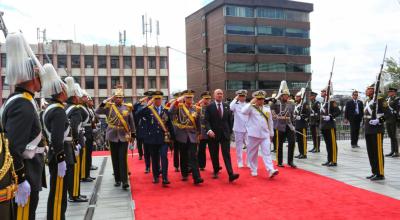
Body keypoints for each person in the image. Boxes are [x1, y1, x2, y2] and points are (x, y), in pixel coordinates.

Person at [1, 32, 46, 219]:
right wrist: (21, 179)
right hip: (26, 171)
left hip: (29, 169)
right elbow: (13, 147)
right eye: (37, 74)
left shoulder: (19, 99)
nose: (41, 78)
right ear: (30, 77)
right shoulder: (23, 104)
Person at [40, 64, 69, 219]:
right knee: (58, 194)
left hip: (53, 154)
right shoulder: (58, 111)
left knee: (56, 192)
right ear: (61, 92)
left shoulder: (50, 108)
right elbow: (58, 139)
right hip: (57, 156)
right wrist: (61, 158)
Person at [95, 86, 136, 189]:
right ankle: (117, 179)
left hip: (123, 135)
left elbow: (131, 121)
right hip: (112, 135)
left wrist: (133, 134)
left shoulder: (127, 107)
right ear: (114, 98)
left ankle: (124, 181)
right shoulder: (109, 106)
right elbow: (97, 111)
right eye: (117, 97)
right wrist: (107, 100)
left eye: (120, 97)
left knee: (122, 158)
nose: (118, 99)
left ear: (123, 98)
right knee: (115, 158)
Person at [136, 91, 174, 185]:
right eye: (155, 98)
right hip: (151, 139)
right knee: (155, 158)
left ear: (162, 99)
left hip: (163, 139)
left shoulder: (165, 110)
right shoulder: (148, 110)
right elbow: (137, 114)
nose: (157, 100)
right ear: (153, 100)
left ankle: (165, 178)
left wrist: (173, 138)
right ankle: (155, 176)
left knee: (164, 157)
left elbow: (170, 124)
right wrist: (146, 105)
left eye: (159, 98)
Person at [169, 90, 204, 185]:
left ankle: (197, 177)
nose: (190, 99)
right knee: (183, 156)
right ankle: (184, 173)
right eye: (188, 97)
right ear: (184, 98)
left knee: (193, 156)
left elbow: (198, 122)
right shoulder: (179, 107)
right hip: (181, 135)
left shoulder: (195, 108)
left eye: (191, 97)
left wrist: (200, 133)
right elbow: (170, 112)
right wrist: (176, 101)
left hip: (192, 135)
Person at [241, 91, 278, 178]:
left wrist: (271, 133)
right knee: (252, 153)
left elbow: (270, 122)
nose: (260, 101)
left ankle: (270, 169)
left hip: (265, 135)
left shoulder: (266, 109)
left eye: (262, 99)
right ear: (255, 99)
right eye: (258, 99)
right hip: (253, 135)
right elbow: (243, 111)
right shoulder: (251, 108)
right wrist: (251, 102)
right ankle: (253, 169)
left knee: (267, 152)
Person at [205, 89, 239, 182]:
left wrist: (229, 130)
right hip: (213, 134)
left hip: (225, 134)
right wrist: (209, 130)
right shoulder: (209, 107)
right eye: (218, 94)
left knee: (226, 154)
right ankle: (216, 170)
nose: (220, 95)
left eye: (221, 93)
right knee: (214, 154)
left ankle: (231, 174)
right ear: (214, 95)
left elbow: (230, 120)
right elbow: (206, 121)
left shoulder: (226, 106)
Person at [64, 77, 88, 203]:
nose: (79, 98)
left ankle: (75, 193)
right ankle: (74, 194)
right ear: (74, 97)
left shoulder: (66, 107)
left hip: (71, 142)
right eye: (78, 96)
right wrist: (77, 143)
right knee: (75, 171)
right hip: (75, 142)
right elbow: (74, 127)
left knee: (74, 171)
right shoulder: (75, 109)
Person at [270, 81, 296, 168]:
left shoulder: (291, 104)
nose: (286, 96)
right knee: (279, 144)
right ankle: (279, 161)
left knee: (292, 142)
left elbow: (292, 115)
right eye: (284, 95)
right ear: (281, 95)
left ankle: (290, 161)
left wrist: (293, 124)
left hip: (289, 125)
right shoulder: (275, 103)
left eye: (287, 95)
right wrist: (281, 118)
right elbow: (273, 116)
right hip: (279, 126)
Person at [364, 84, 387, 180]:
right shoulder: (367, 101)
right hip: (368, 129)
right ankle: (374, 171)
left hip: (377, 129)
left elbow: (388, 114)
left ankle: (380, 173)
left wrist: (379, 120)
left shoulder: (380, 99)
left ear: (374, 90)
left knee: (377, 151)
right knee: (371, 152)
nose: (366, 91)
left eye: (368, 89)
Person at [320, 87, 341, 167]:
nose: (321, 93)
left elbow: (338, 111)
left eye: (323, 92)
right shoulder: (323, 102)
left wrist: (331, 116)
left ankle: (334, 160)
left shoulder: (331, 102)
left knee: (332, 143)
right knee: (328, 144)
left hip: (330, 126)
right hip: (324, 126)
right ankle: (329, 159)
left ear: (326, 93)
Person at [229, 90, 249, 168]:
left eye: (243, 96)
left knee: (249, 145)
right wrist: (235, 99)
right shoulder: (235, 104)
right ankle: (240, 161)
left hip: (247, 128)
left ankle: (248, 162)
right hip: (238, 128)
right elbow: (230, 107)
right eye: (240, 96)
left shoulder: (247, 105)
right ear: (238, 96)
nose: (242, 97)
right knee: (239, 146)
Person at [134, 91, 153, 173]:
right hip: (143, 131)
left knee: (156, 152)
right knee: (146, 150)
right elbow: (136, 111)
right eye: (147, 97)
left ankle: (157, 167)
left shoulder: (156, 107)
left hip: (154, 132)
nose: (149, 99)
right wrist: (141, 101)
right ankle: (147, 166)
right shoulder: (142, 107)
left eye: (150, 97)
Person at [165, 91, 181, 172]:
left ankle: (187, 166)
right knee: (177, 149)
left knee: (186, 150)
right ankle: (176, 165)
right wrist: (176, 102)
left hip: (184, 130)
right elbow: (170, 111)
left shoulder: (184, 105)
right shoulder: (173, 104)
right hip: (175, 130)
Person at [196, 91, 212, 171]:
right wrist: (199, 133)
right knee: (201, 150)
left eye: (209, 99)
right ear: (202, 99)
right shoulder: (198, 108)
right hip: (202, 131)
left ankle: (215, 166)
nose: (208, 100)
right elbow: (197, 121)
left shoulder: (212, 107)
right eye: (206, 98)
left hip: (211, 131)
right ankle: (201, 165)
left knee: (213, 149)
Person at [294, 90, 310, 159]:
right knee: (299, 140)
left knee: (303, 140)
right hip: (297, 124)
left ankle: (304, 153)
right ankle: (300, 152)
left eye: (297, 97)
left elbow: (307, 113)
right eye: (296, 96)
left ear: (301, 97)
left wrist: (301, 116)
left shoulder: (305, 104)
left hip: (303, 124)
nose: (296, 98)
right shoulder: (296, 105)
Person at [385, 87, 399, 157]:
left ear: (394, 92)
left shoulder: (397, 99)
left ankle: (396, 152)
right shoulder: (387, 99)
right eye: (389, 92)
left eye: (390, 92)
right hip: (387, 119)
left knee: (394, 136)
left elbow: (398, 110)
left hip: (393, 120)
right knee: (391, 136)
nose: (389, 93)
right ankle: (392, 151)